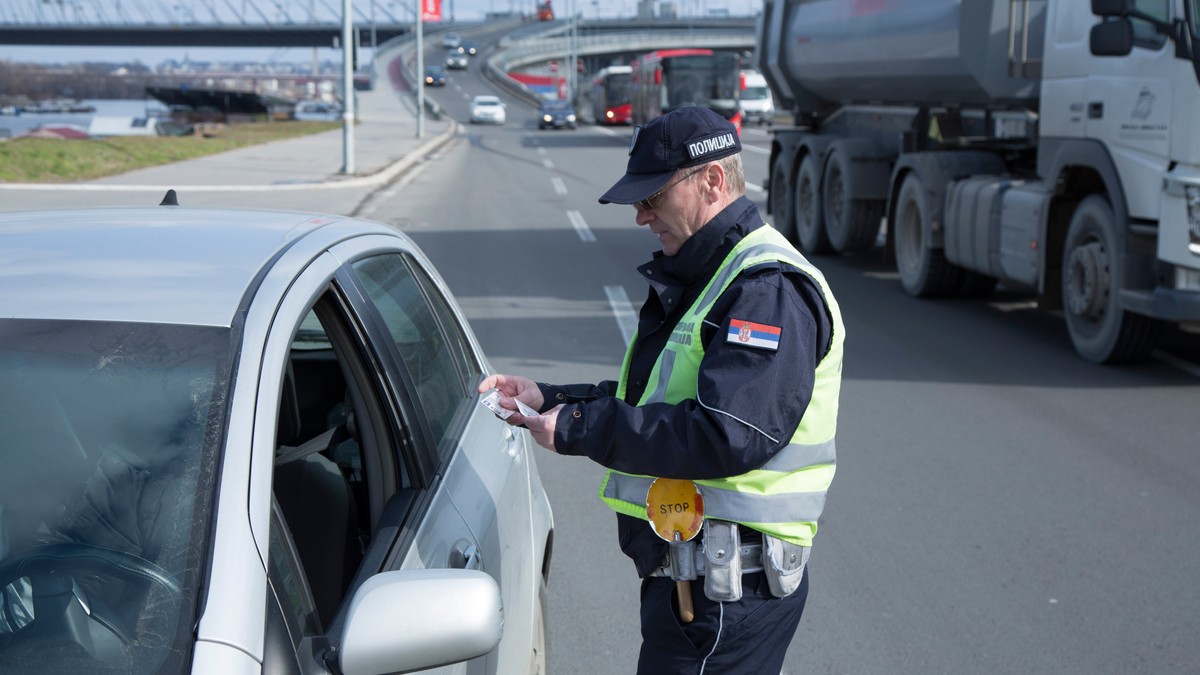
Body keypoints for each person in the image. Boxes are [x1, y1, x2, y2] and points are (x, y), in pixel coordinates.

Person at [479, 106, 845, 674]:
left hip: (729, 593)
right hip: (703, 585)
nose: (641, 217)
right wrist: (552, 397)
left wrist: (581, 429)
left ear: (713, 181)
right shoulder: (715, 273)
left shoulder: (765, 288)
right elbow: (659, 400)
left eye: (652, 198)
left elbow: (728, 433)